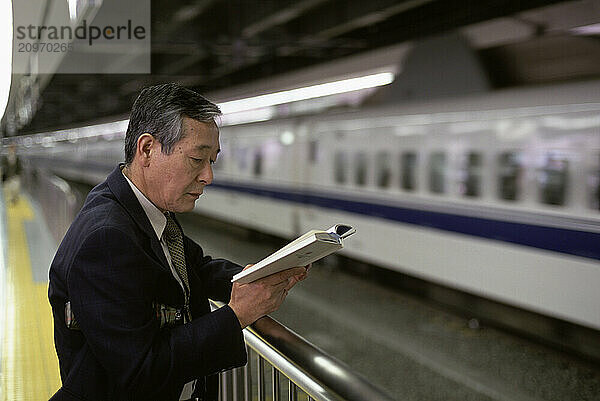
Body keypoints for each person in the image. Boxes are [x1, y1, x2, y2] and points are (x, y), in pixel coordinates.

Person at [48, 83, 308, 401]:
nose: (208, 176)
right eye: (197, 159)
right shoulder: (106, 239)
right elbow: (140, 371)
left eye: (212, 160)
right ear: (147, 150)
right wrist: (237, 314)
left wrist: (257, 276)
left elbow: (193, 266)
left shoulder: (142, 208)